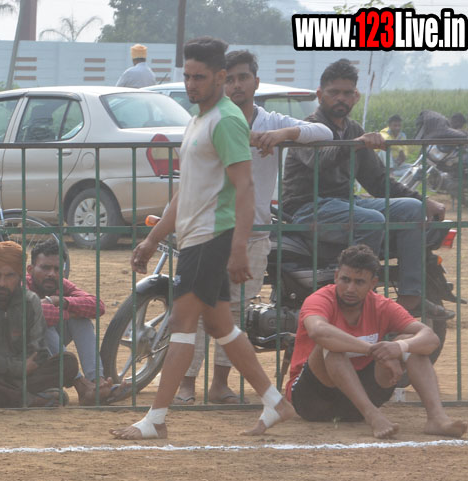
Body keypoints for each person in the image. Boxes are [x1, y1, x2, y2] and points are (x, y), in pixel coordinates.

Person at [114, 36, 294, 440]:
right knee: (221, 326)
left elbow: (245, 187)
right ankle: (275, 401)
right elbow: (187, 190)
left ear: (219, 77)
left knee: (182, 322)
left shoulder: (226, 120)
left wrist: (237, 248)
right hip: (196, 238)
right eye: (187, 76)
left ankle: (156, 419)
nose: (191, 84)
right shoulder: (199, 120)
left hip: (212, 238)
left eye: (199, 77)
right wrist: (152, 238)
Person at [177, 48, 332, 405]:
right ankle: (186, 383)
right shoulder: (213, 120)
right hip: (208, 230)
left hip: (254, 233)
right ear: (221, 80)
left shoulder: (271, 121)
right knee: (195, 310)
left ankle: (219, 384)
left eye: (243, 77)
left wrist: (283, 135)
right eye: (230, 78)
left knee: (234, 311)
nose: (236, 85)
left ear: (256, 82)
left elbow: (321, 131)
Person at [281, 59, 443, 317]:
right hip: (306, 207)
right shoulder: (308, 128)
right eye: (334, 92)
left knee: (412, 209)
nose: (341, 98)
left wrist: (424, 201)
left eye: (347, 93)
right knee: (371, 220)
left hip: (345, 204)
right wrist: (356, 144)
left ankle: (410, 297)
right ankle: (362, 302)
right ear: (320, 95)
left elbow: (378, 181)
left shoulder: (354, 129)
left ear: (355, 96)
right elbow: (320, 160)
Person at [287, 244, 466, 439]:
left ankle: (437, 419)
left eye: (359, 282)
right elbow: (319, 331)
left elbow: (430, 338)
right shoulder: (320, 299)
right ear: (336, 276)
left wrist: (398, 347)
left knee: (411, 343)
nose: (350, 288)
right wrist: (375, 351)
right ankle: (373, 416)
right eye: (345, 279)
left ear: (373, 283)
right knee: (331, 346)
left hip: (359, 399)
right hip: (314, 400)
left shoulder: (381, 305)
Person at [0, 242, 90, 408]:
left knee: (68, 362)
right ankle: (26, 398)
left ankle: (0, 396)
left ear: (20, 276)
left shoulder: (30, 302)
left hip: (23, 374)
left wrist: (24, 367)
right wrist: (17, 368)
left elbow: (39, 351)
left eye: (9, 276)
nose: (2, 283)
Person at [25, 238, 114, 404]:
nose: (52, 274)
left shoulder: (60, 284)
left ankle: (97, 381)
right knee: (44, 324)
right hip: (22, 356)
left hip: (48, 354)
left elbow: (98, 306)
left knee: (82, 320)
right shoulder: (23, 284)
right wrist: (71, 312)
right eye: (45, 268)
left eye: (57, 269)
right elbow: (35, 314)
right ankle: (80, 385)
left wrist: (61, 301)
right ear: (30, 269)